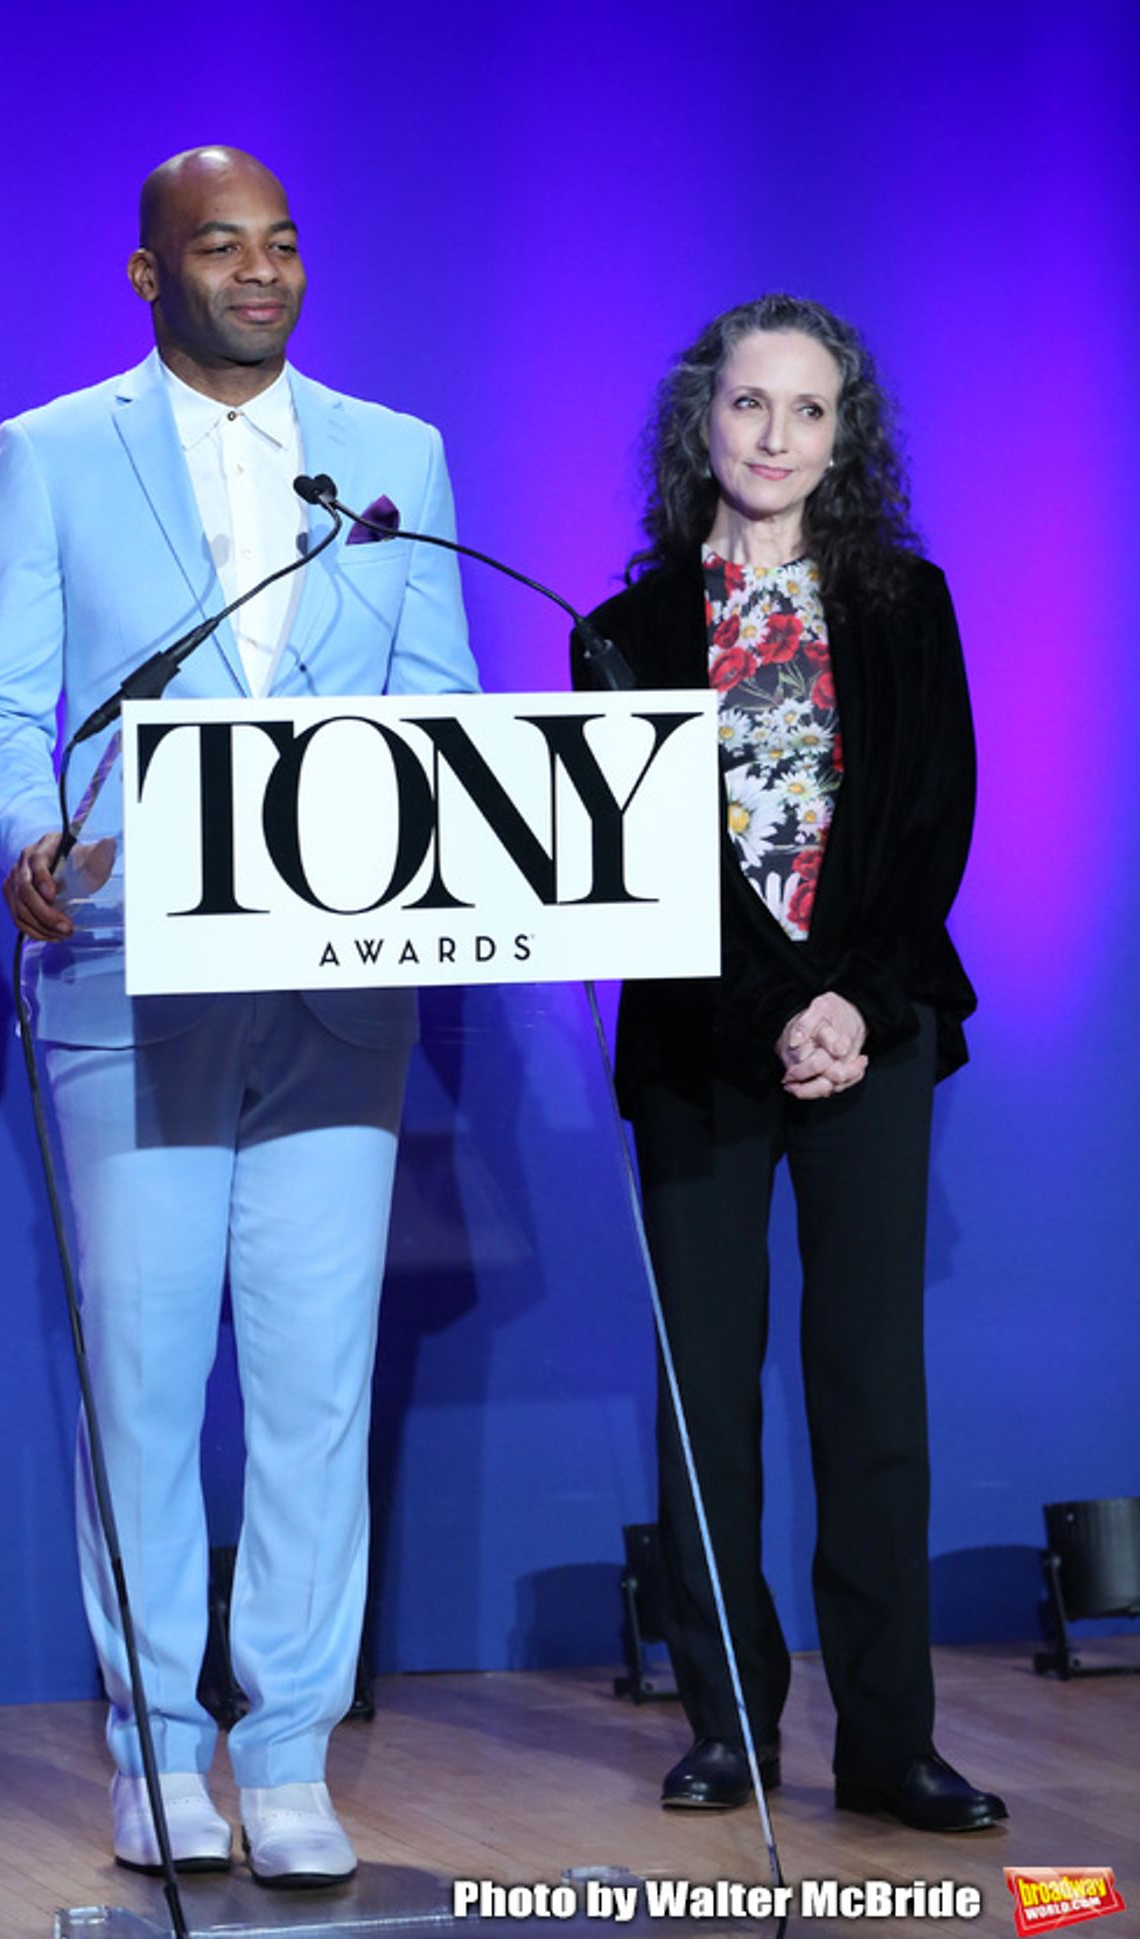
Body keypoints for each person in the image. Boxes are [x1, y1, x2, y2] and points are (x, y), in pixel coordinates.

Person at [0, 146, 477, 1884]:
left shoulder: (394, 455)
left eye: (284, 245)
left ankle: (292, 1754)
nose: (261, 272)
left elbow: (440, 707)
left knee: (318, 1390)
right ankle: (160, 1753)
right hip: (126, 977)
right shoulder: (50, 452)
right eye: (222, 246)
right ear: (148, 273)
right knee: (147, 1385)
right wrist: (28, 834)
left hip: (340, 995)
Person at [574, 294, 1005, 1833]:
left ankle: (890, 1743)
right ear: (703, 420)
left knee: (872, 1395)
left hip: (873, 1037)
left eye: (808, 409)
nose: (775, 436)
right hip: (703, 1050)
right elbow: (650, 871)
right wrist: (773, 1008)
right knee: (707, 1407)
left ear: (845, 435)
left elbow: (931, 825)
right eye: (749, 403)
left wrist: (850, 1008)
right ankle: (730, 1728)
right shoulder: (623, 633)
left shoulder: (906, 602)